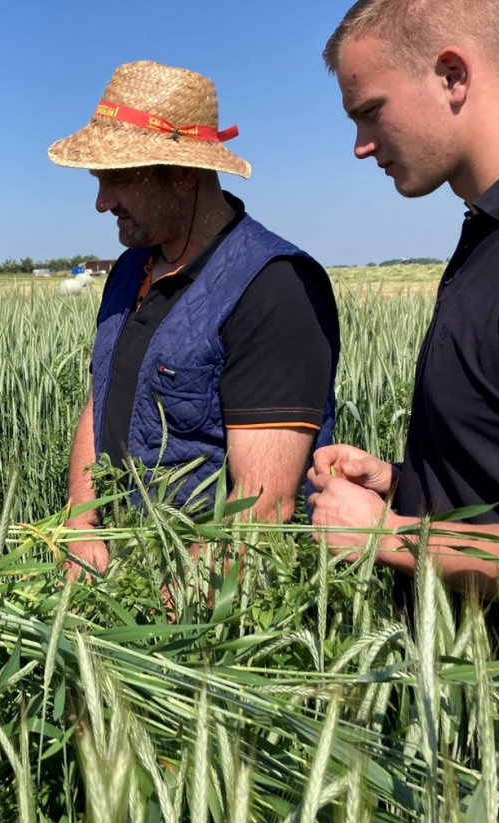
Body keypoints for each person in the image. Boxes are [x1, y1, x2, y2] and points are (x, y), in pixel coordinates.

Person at [309, 0, 499, 606]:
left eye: (370, 112)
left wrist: (390, 536)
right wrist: (403, 488)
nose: (361, 145)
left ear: (452, 75)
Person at [48, 61, 341, 578]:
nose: (101, 202)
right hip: (116, 579)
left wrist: (164, 618)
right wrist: (81, 522)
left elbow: (261, 514)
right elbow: (101, 398)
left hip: (204, 610)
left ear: (183, 173)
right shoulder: (128, 270)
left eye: (116, 179)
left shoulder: (273, 289)